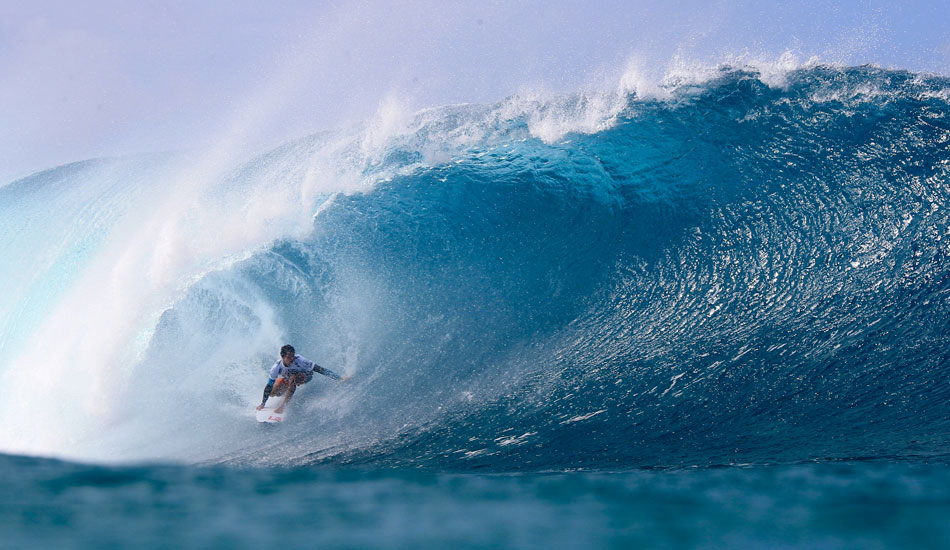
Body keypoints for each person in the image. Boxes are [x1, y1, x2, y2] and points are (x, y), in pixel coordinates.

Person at [257, 344, 349, 414]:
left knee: (293, 377)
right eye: (289, 357)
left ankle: (283, 406)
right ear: (282, 356)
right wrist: (263, 404)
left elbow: (320, 369)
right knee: (273, 392)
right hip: (289, 379)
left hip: (305, 376)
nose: (292, 359)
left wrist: (339, 378)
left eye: (293, 356)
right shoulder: (276, 367)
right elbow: (269, 386)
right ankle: (286, 392)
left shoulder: (301, 361)